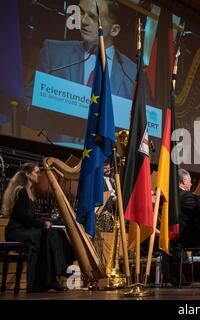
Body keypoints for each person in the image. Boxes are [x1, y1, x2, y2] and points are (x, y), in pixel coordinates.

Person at [25, 0, 136, 146]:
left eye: (93, 17)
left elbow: (144, 125)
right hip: (53, 155)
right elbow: (28, 100)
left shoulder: (132, 72)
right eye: (81, 12)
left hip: (105, 162)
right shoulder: (53, 51)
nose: (83, 21)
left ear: (114, 30)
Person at [1, 163, 75, 292]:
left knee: (56, 233)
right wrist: (42, 224)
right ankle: (51, 279)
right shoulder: (21, 191)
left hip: (25, 229)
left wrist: (48, 221)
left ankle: (57, 273)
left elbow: (31, 217)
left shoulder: (31, 191)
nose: (40, 175)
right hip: (16, 231)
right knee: (45, 234)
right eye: (36, 172)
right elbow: (22, 217)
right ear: (27, 174)